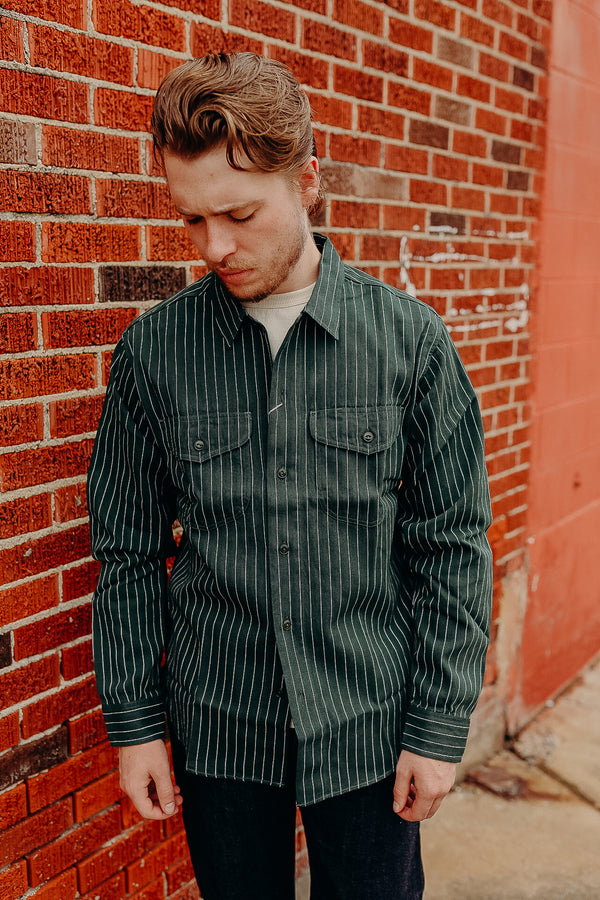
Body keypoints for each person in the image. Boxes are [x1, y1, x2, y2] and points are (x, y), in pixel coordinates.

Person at [88, 52, 493, 900]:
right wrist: (136, 726)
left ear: (307, 179)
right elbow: (124, 551)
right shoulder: (152, 355)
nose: (215, 247)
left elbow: (451, 545)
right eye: (192, 220)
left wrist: (438, 725)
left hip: (369, 728)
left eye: (238, 212)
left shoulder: (412, 344)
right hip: (220, 728)